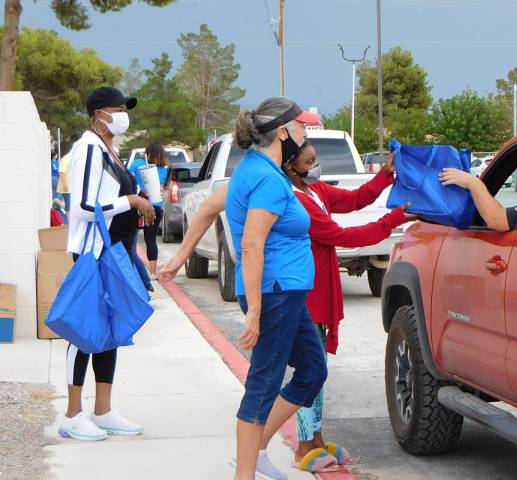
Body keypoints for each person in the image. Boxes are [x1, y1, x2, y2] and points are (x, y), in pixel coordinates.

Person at [158, 141, 416, 475]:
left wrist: (385, 175)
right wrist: (395, 219)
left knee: (312, 370)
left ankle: (274, 446)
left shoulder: (311, 190)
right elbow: (257, 241)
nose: (316, 166)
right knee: (267, 382)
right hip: (286, 293)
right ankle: (271, 453)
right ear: (287, 160)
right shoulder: (279, 191)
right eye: (309, 160)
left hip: (306, 288)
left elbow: (354, 200)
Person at [61, 86, 155, 442]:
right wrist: (129, 201)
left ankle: (103, 409)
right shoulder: (88, 148)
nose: (122, 114)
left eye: (124, 108)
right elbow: (83, 206)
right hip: (92, 250)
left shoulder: (109, 151)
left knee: (110, 330)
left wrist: (137, 200)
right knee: (83, 328)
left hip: (113, 249)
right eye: (116, 108)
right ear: (99, 113)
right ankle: (73, 413)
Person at [129, 142, 170, 275]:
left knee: (131, 238)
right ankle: (153, 272)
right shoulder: (164, 170)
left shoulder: (137, 164)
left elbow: (127, 180)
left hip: (136, 205)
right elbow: (163, 188)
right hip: (155, 207)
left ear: (147, 152)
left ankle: (131, 268)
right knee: (150, 239)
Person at [57, 151, 72, 216]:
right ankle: (69, 224)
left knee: (71, 209)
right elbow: (61, 172)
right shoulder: (67, 158)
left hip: (72, 188)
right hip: (67, 189)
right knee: (69, 210)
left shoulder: (73, 158)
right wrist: (65, 185)